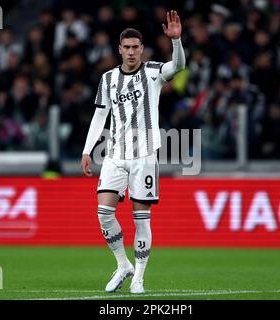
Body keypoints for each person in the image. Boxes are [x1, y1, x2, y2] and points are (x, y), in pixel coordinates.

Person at [81, 10, 185, 294]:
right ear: (119, 49)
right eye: (126, 47)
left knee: (141, 218)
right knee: (104, 212)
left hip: (144, 156)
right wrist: (87, 150)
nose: (130, 52)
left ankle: (138, 276)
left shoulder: (153, 72)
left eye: (135, 47)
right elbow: (100, 116)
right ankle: (122, 264)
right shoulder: (108, 79)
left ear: (142, 49)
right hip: (114, 154)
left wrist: (176, 41)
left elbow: (177, 67)